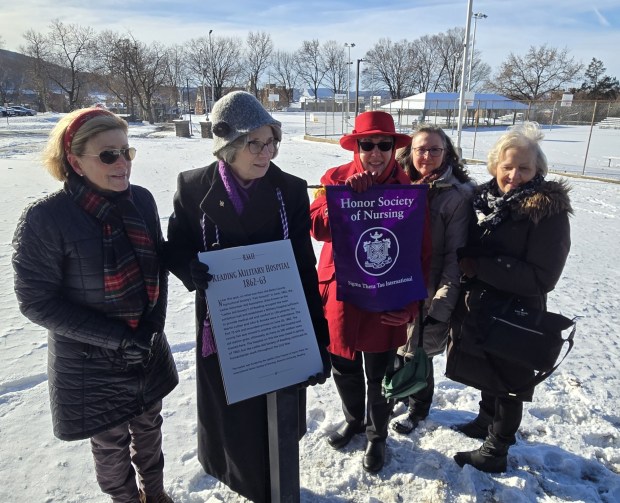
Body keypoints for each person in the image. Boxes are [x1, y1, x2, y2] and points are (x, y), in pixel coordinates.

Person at [165, 91, 330, 503]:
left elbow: (303, 266)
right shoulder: (192, 187)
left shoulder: (288, 190)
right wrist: (189, 267)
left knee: (277, 418)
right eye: (255, 143)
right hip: (225, 330)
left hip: (281, 325)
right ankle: (252, 487)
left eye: (272, 140)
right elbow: (175, 245)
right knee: (235, 421)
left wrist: (318, 340)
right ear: (229, 144)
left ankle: (279, 487)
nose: (266, 152)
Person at [12, 107, 178, 503]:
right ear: (74, 161)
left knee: (150, 428)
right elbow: (36, 301)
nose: (123, 164)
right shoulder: (46, 218)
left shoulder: (140, 200)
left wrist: (153, 326)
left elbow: (156, 268)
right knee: (110, 446)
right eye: (108, 155)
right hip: (92, 361)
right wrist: (118, 340)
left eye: (127, 152)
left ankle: (155, 495)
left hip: (145, 348)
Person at [447, 122, 572, 473]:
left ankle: (497, 449)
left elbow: (543, 277)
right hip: (483, 306)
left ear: (538, 171)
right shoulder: (484, 201)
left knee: (509, 382)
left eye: (524, 168)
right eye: (508, 166)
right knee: (488, 371)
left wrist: (481, 266)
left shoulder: (546, 210)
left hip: (516, 311)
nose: (514, 175)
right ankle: (485, 420)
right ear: (495, 167)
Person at [310, 111, 431, 473]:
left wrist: (411, 306)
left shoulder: (408, 190)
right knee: (343, 366)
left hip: (387, 295)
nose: (375, 152)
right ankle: (353, 420)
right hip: (342, 293)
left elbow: (420, 253)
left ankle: (377, 436)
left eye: (384, 145)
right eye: (368, 144)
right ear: (357, 147)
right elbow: (316, 227)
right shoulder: (334, 179)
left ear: (394, 148)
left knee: (379, 374)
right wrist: (344, 200)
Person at [391, 124, 474, 434]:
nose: (426, 155)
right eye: (420, 149)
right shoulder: (395, 184)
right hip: (394, 284)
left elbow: (455, 255)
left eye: (434, 150)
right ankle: (399, 391)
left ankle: (418, 407)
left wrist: (442, 301)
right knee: (395, 347)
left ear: (446, 153)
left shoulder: (456, 196)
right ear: (410, 152)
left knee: (418, 352)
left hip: (429, 287)